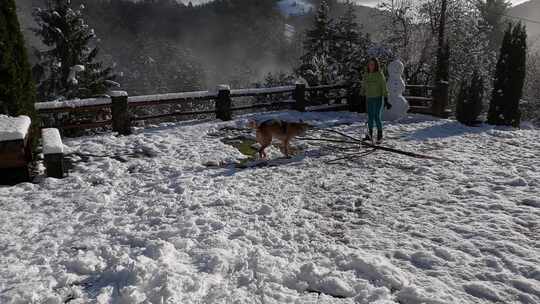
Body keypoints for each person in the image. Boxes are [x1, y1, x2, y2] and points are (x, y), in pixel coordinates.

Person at [361, 58, 392, 143]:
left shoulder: (379, 74)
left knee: (376, 116)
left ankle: (379, 136)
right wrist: (362, 94)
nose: (371, 66)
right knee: (370, 117)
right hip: (369, 98)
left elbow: (384, 87)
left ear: (376, 65)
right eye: (370, 64)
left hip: (378, 98)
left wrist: (386, 99)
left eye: (373, 64)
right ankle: (369, 135)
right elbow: (363, 85)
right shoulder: (366, 74)